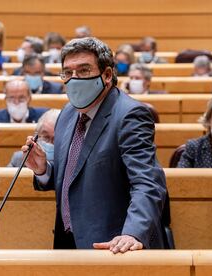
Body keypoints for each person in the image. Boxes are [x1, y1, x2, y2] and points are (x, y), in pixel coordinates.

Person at [22, 37, 167, 252]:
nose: (74, 79)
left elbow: (147, 182)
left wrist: (133, 233)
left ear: (107, 75)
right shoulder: (67, 114)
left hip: (115, 247)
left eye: (83, 71)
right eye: (68, 73)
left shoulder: (130, 114)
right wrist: (44, 170)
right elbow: (77, 175)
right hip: (69, 244)